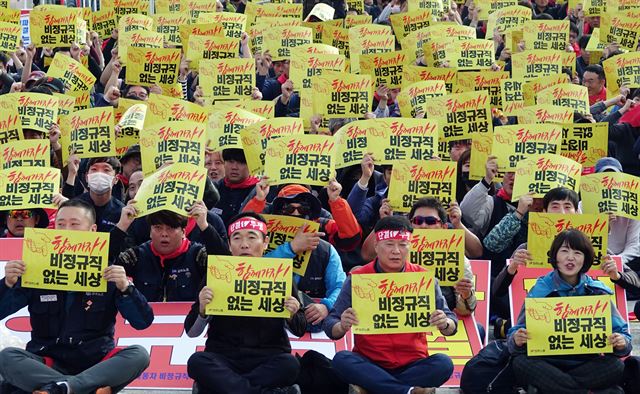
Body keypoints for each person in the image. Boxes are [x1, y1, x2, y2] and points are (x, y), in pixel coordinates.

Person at [0, 199, 154, 394]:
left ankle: (64, 388)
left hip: (95, 364)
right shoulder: (35, 268)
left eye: (74, 224)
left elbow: (143, 322)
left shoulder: (109, 271)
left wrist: (126, 288)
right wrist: (7, 284)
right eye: (61, 224)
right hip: (46, 362)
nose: (66, 230)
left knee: (139, 355)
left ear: (92, 230)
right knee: (7, 356)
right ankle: (75, 387)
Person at [323, 216, 456, 394]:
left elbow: (451, 324)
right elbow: (330, 325)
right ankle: (406, 391)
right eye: (389, 244)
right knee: (341, 359)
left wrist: (445, 322)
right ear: (376, 246)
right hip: (369, 363)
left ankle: (377, 388)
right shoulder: (358, 278)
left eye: (402, 244)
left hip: (413, 364)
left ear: (410, 246)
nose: (396, 251)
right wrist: (342, 325)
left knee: (443, 364)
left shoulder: (424, 278)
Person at [185, 212, 307, 394]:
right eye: (237, 238)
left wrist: (292, 314)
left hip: (268, 357)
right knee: (197, 362)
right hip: (223, 357)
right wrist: (202, 310)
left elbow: (300, 329)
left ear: (265, 243)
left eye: (252, 237)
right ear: (229, 244)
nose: (244, 244)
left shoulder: (280, 276)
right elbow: (191, 332)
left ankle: (223, 389)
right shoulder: (215, 275)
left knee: (290, 365)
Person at [508, 230, 632, 393]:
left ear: (586, 259)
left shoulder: (597, 292)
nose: (570, 257)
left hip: (586, 365)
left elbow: (624, 337)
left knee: (616, 366)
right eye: (564, 251)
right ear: (555, 257)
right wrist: (517, 339)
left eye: (577, 252)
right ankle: (582, 391)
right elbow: (514, 336)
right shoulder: (540, 290)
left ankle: (557, 389)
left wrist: (621, 342)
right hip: (547, 363)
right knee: (520, 363)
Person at [62, 157, 124, 233]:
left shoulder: (121, 212)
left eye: (106, 170)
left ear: (116, 179)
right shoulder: (77, 204)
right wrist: (72, 173)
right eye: (94, 169)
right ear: (86, 177)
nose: (99, 174)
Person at [212, 148, 260, 225]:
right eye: (230, 161)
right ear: (224, 163)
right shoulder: (213, 189)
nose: (234, 167)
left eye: (241, 162)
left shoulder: (260, 192)